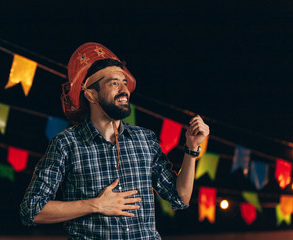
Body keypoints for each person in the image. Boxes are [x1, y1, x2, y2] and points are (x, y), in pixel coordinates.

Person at [20, 42, 210, 239]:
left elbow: (180, 197)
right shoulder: (66, 144)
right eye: (113, 83)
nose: (124, 90)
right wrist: (95, 204)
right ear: (91, 95)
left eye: (124, 82)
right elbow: (31, 210)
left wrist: (191, 148)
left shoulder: (146, 139)